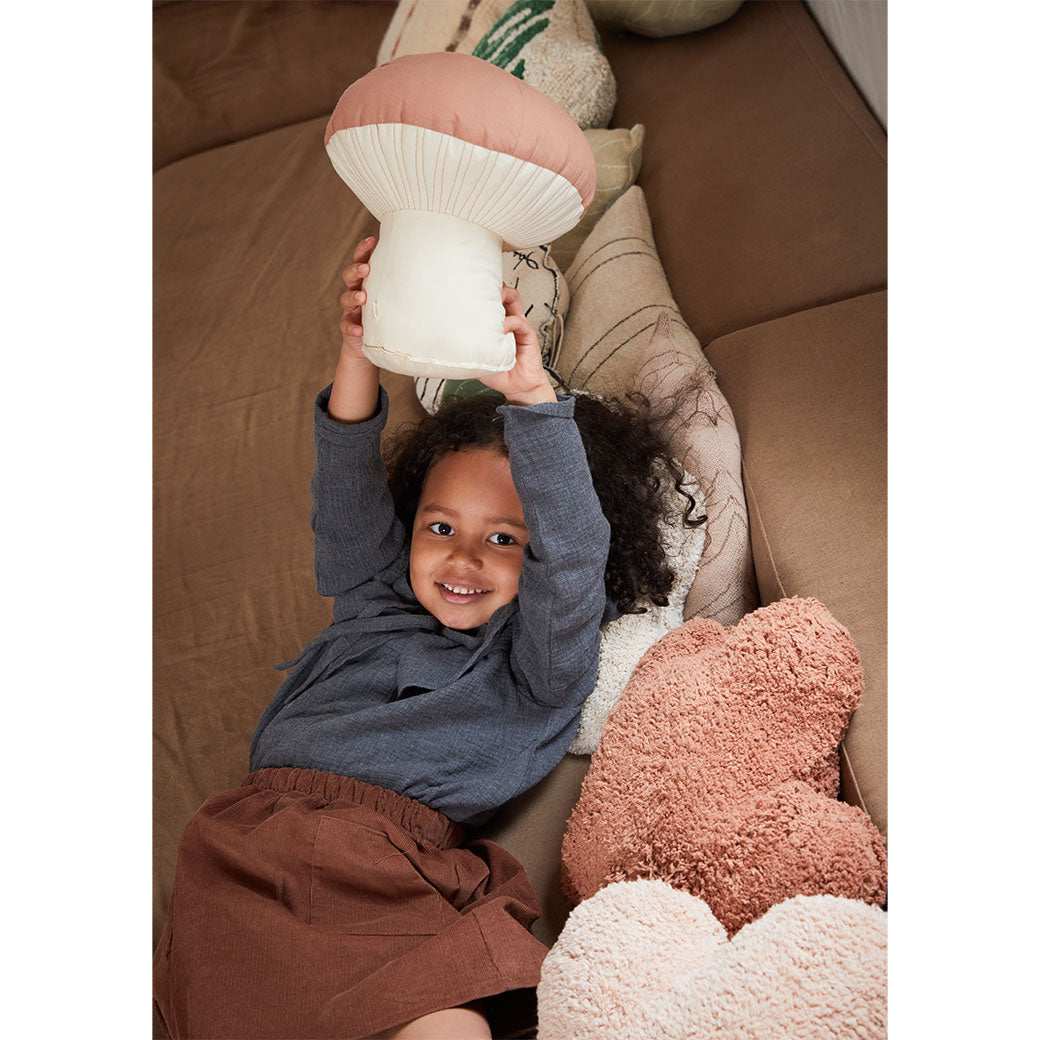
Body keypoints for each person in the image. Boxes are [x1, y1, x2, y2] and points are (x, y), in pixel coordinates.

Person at [153, 236, 703, 1040]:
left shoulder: (535, 667)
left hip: (399, 880)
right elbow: (343, 475)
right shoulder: (373, 599)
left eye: (506, 539)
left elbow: (575, 552)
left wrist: (532, 403)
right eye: (441, 527)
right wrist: (357, 350)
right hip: (255, 855)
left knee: (452, 1026)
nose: (465, 558)